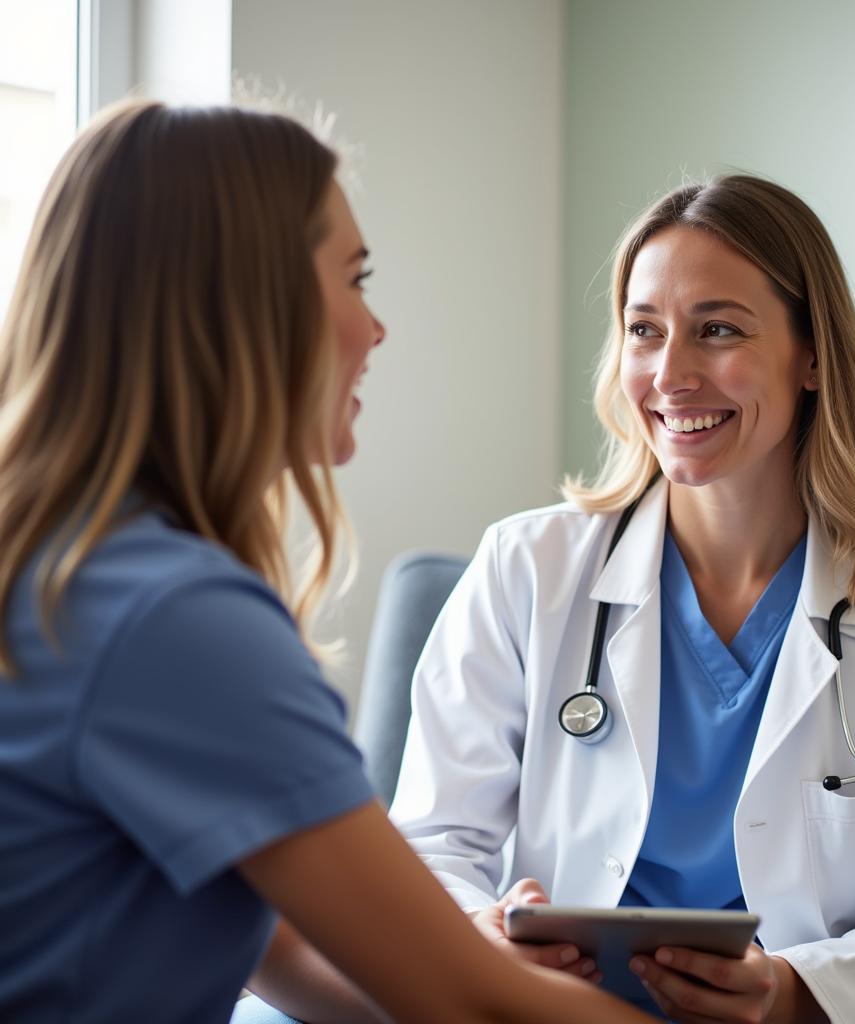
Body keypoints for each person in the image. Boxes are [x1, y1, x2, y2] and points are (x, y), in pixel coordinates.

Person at [0, 99, 664, 1024]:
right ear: (241, 304)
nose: (374, 330)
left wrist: (437, 957)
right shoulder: (171, 617)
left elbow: (284, 949)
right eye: (354, 279)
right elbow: (472, 1006)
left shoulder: (66, 562)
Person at [390, 175, 855, 1023]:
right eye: (644, 331)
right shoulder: (525, 568)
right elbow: (431, 845)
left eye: (717, 330)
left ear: (813, 357)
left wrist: (793, 992)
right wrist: (480, 932)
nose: (671, 374)